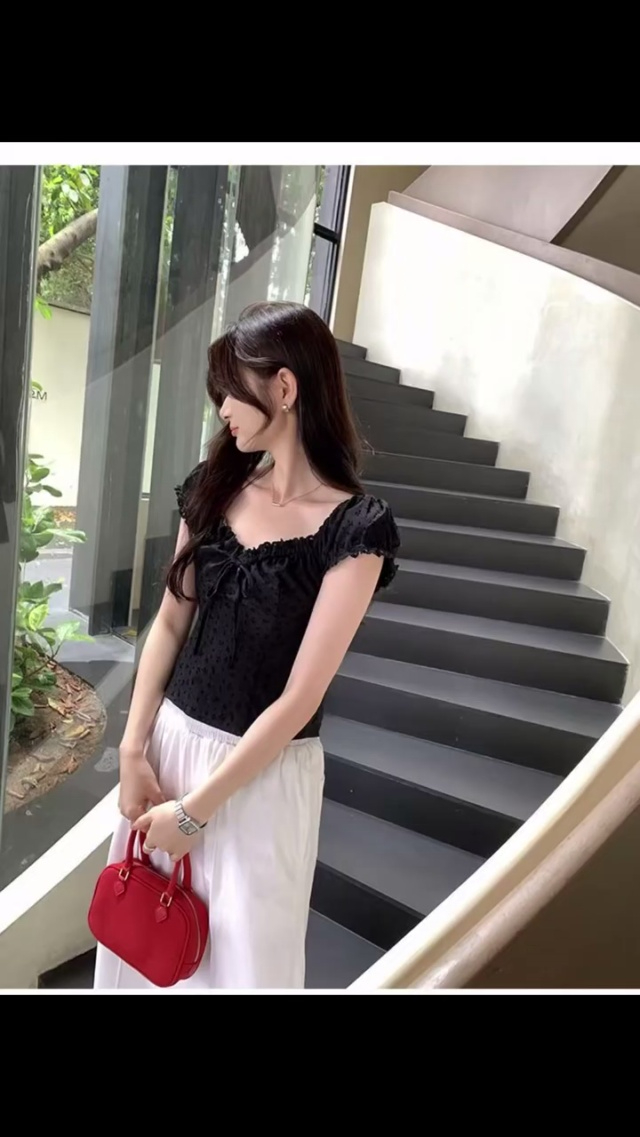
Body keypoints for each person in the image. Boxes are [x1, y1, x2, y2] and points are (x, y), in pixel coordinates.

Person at [93, 301, 400, 990]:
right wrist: (134, 747)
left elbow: (300, 697)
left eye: (232, 390)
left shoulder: (356, 529)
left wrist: (197, 809)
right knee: (148, 944)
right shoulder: (214, 486)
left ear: (284, 387)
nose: (223, 409)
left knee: (245, 966)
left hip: (261, 778)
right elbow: (171, 622)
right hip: (171, 750)